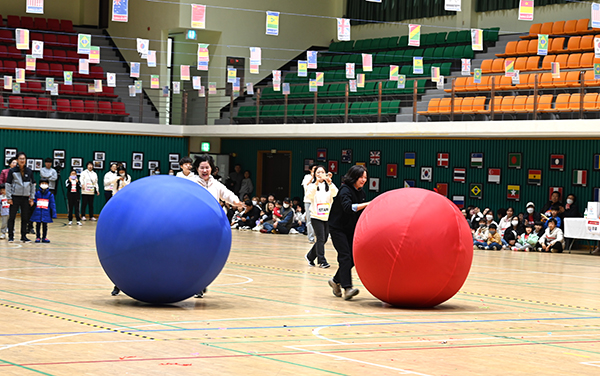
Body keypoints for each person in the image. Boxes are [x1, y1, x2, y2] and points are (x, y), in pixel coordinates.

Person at [328, 165, 370, 301]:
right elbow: (348, 208)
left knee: (353, 258)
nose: (364, 180)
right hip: (337, 228)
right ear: (354, 177)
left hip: (350, 229)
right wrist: (368, 204)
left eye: (365, 177)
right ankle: (347, 288)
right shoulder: (344, 190)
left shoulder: (361, 192)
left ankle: (335, 280)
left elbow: (360, 213)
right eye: (361, 177)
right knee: (345, 256)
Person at [304, 166, 338, 269]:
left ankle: (310, 256)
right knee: (320, 238)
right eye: (318, 172)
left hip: (327, 216)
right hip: (316, 216)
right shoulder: (312, 186)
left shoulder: (329, 185)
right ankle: (322, 261)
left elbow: (336, 193)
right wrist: (316, 183)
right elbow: (309, 196)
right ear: (315, 174)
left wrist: (330, 182)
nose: (320, 174)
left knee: (324, 239)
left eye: (322, 172)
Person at [5, 152, 36, 243]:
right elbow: (8, 184)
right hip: (14, 197)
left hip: (25, 198)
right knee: (12, 217)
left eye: (24, 159)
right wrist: (9, 197)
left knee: (25, 217)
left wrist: (32, 198)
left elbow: (32, 185)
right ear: (17, 160)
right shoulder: (12, 171)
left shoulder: (29, 171)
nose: (22, 160)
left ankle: (23, 236)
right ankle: (11, 236)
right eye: (20, 159)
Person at [29, 178, 57, 243]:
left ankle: (44, 237)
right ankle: (38, 237)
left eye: (45, 183)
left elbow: (52, 204)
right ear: (39, 184)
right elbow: (34, 201)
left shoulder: (50, 194)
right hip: (37, 212)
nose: (44, 185)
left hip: (46, 213)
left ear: (48, 185)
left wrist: (53, 214)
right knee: (37, 225)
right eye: (42, 183)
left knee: (45, 225)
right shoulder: (36, 193)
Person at [302, 164, 317, 244]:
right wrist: (312, 178)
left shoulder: (320, 178)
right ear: (310, 170)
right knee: (309, 220)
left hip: (317, 202)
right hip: (308, 201)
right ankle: (311, 238)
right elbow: (306, 188)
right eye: (314, 169)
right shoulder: (307, 177)